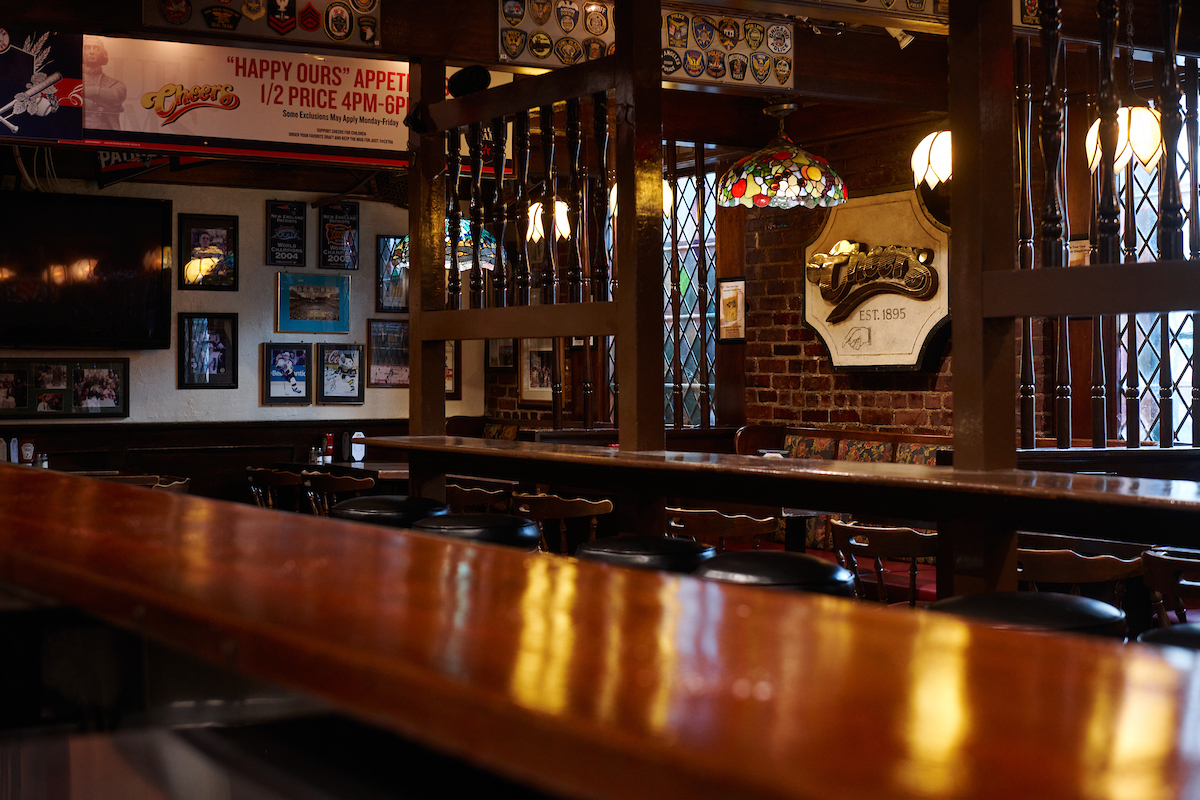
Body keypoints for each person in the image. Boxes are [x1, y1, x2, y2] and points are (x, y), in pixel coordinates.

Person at [82, 36, 126, 130]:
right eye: (87, 48)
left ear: (102, 53)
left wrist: (87, 91)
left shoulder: (115, 84)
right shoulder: (73, 81)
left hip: (106, 136)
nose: (92, 51)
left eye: (96, 48)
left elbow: (116, 96)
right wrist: (101, 103)